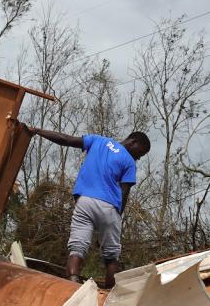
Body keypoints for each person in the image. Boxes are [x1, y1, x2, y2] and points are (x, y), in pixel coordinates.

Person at [13, 121, 150, 288]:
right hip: (110, 207)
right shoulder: (129, 162)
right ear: (133, 142)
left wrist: (37, 130)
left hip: (85, 202)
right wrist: (115, 219)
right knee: (111, 256)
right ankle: (111, 296)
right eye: (140, 154)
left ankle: (71, 286)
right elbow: (124, 192)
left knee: (77, 248)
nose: (138, 158)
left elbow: (66, 139)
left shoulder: (98, 140)